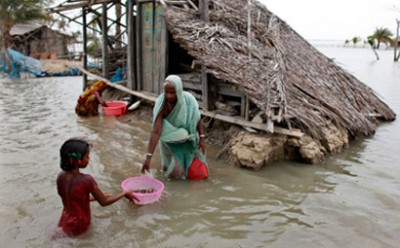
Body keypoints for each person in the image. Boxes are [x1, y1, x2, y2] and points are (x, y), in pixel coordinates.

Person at [57, 138, 139, 236]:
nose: (89, 159)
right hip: (80, 224)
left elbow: (72, 199)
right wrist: (125, 193)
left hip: (64, 221)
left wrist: (94, 198)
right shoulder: (86, 180)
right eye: (87, 156)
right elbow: (104, 202)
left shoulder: (60, 177)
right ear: (78, 161)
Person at [140, 75, 209, 180]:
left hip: (188, 140)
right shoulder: (162, 104)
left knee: (199, 173)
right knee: (175, 174)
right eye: (166, 92)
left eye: (172, 92)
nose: (169, 96)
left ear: (179, 90)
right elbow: (156, 131)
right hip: (170, 142)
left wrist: (202, 138)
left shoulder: (189, 100)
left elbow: (197, 118)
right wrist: (148, 158)